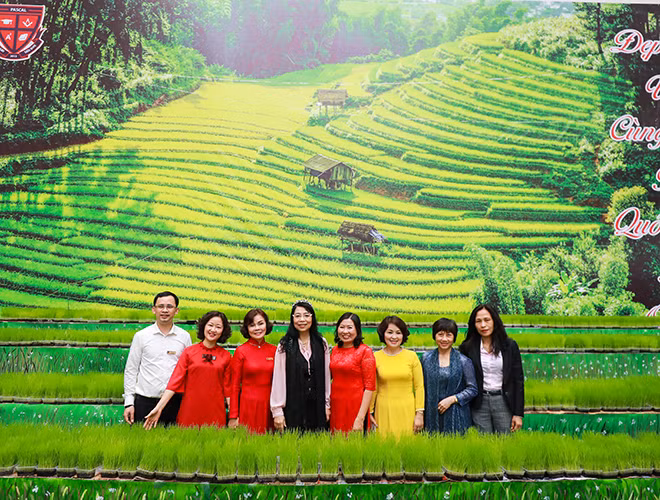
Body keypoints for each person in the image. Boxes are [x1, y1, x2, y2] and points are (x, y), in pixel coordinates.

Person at [143, 311, 232, 429]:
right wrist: (159, 408)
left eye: (218, 327)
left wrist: (233, 416)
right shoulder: (189, 352)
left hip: (215, 411)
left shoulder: (226, 356)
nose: (213, 330)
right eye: (210, 325)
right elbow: (174, 382)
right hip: (189, 409)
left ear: (223, 331)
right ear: (203, 326)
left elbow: (228, 389)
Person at [123, 291, 191, 425]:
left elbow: (188, 371)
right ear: (154, 309)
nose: (165, 310)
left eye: (169, 307)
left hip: (174, 401)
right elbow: (131, 370)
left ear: (176, 310)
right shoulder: (141, 336)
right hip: (145, 401)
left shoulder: (184, 337)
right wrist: (129, 403)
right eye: (161, 306)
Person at [459, 304, 524, 433]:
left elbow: (518, 380)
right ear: (473, 324)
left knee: (505, 440)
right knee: (484, 441)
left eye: (487, 320)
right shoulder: (467, 348)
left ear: (494, 321)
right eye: (478, 321)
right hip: (479, 402)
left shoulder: (509, 346)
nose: (483, 325)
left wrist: (518, 414)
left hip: (503, 401)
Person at [270, 300, 330, 432]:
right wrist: (277, 411)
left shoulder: (321, 343)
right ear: (292, 319)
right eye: (297, 316)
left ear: (312, 318)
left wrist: (326, 405)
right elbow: (279, 378)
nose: (302, 320)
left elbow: (326, 375)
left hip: (317, 406)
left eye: (306, 315)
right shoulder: (285, 345)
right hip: (293, 406)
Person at [370, 315, 424, 437]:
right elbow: (373, 387)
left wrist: (419, 414)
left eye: (398, 333)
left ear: (403, 335)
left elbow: (419, 387)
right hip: (384, 408)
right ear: (383, 334)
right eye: (390, 332)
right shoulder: (375, 357)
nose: (394, 337)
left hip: (407, 408)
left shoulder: (412, 356)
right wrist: (370, 412)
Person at [422, 318, 477, 434]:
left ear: (454, 337)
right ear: (434, 336)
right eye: (440, 334)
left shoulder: (463, 361)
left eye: (449, 335)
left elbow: (472, 389)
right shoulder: (425, 359)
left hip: (457, 415)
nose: (444, 339)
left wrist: (453, 399)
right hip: (431, 414)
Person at [228, 308, 277, 433]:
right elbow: (234, 386)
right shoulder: (241, 351)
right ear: (247, 328)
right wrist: (233, 415)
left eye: (260, 323)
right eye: (252, 325)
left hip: (270, 405)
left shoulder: (275, 350)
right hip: (248, 405)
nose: (257, 328)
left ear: (266, 324)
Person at [329, 312, 376, 433]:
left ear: (357, 330)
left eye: (350, 327)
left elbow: (369, 387)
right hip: (336, 405)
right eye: (342, 327)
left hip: (356, 405)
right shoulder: (334, 350)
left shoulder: (365, 351)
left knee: (354, 440)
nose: (345, 331)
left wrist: (360, 417)